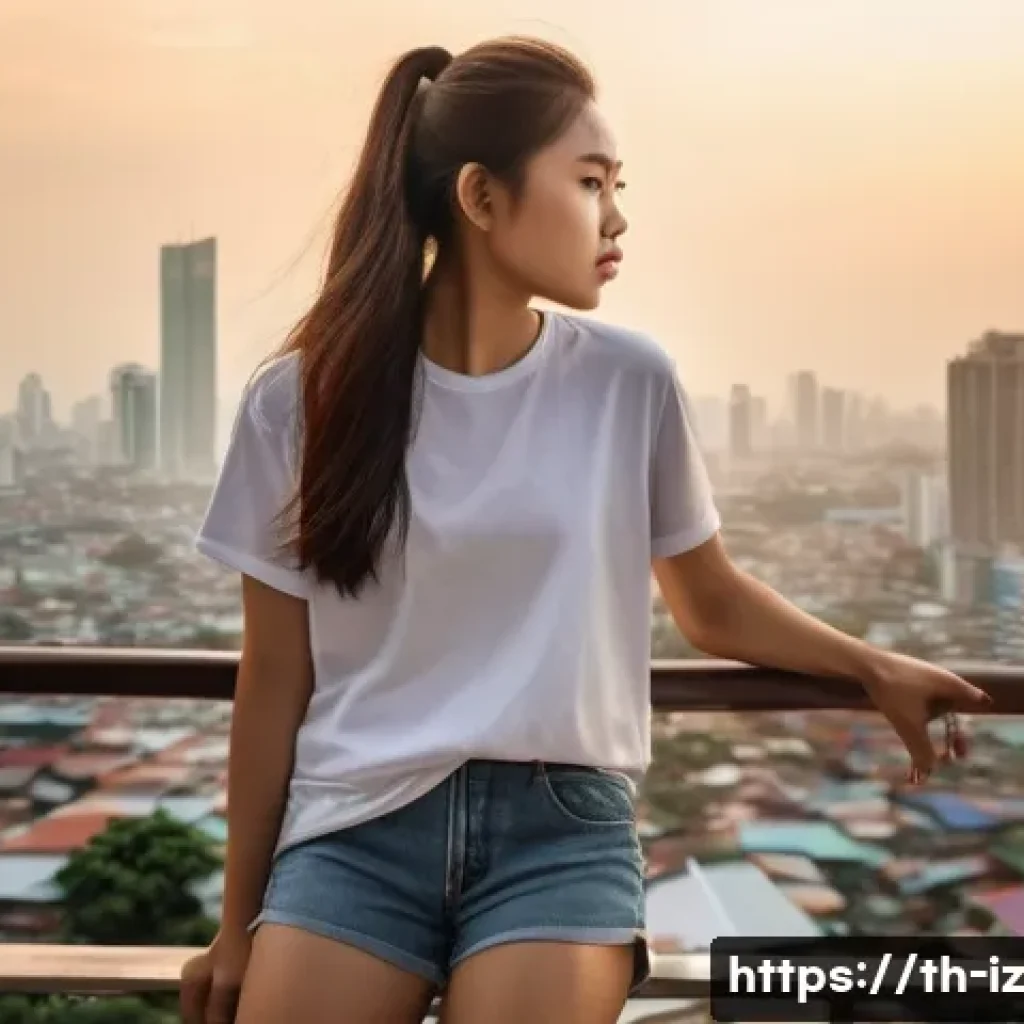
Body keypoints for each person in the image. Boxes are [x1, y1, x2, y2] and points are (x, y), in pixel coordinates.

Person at [180, 35, 990, 1024]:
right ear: (481, 197)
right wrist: (236, 925)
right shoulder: (302, 399)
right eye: (591, 182)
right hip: (352, 831)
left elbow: (712, 600)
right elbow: (274, 678)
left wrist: (870, 664)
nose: (617, 217)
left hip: (557, 837)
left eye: (617, 184)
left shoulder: (626, 381)